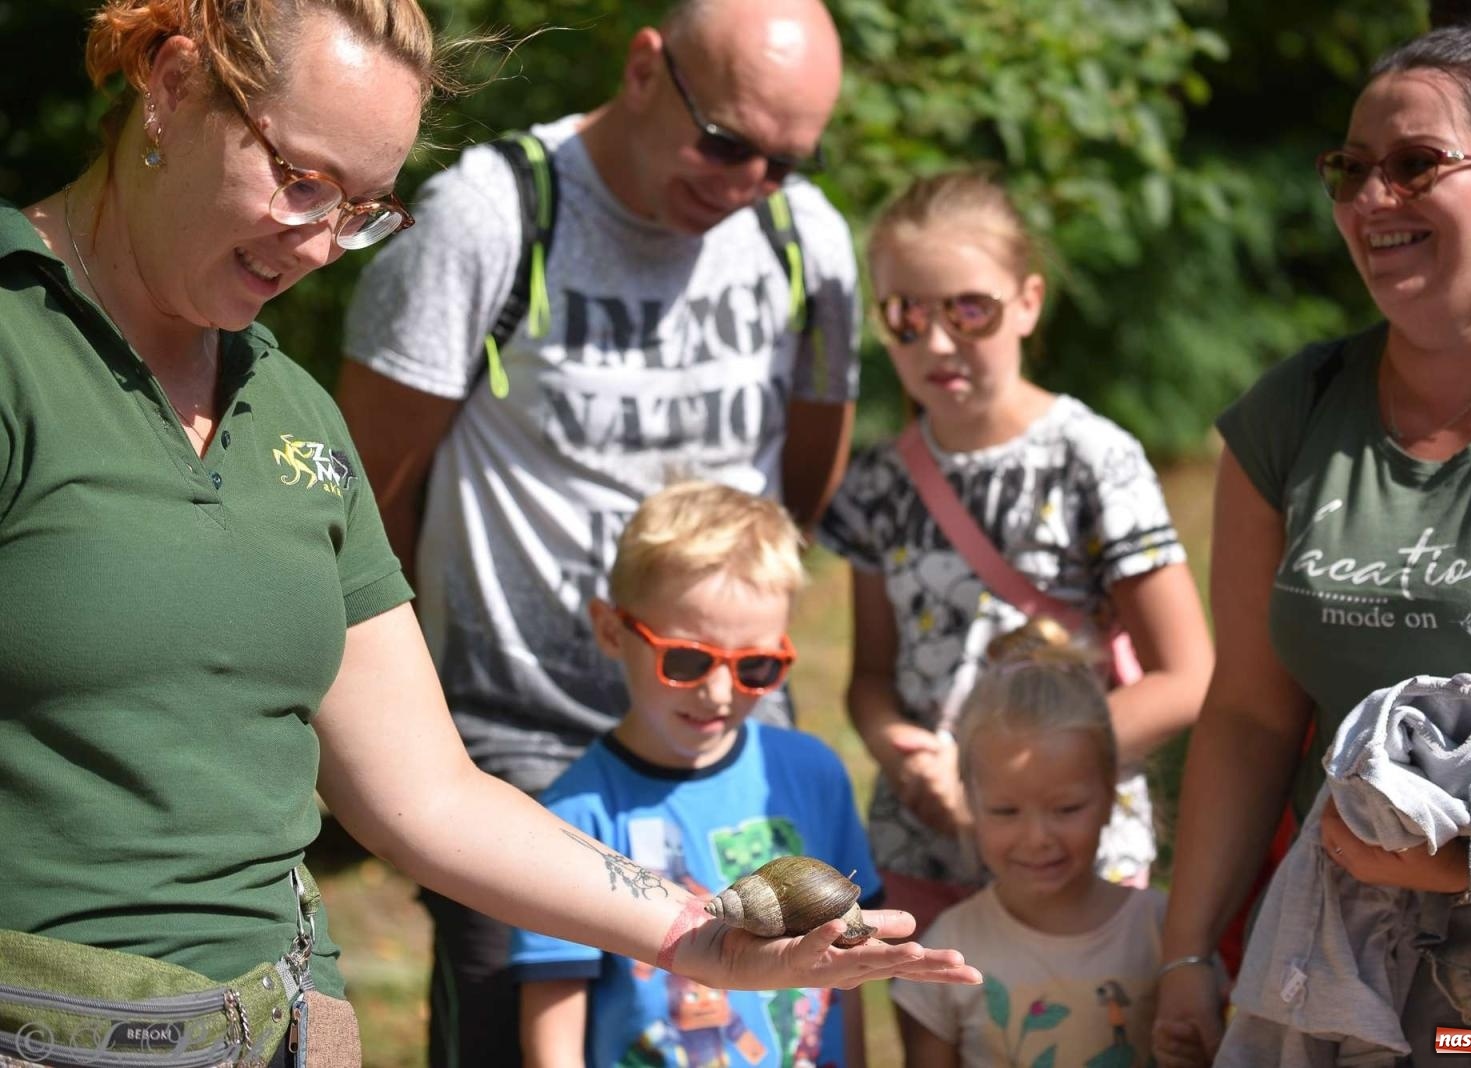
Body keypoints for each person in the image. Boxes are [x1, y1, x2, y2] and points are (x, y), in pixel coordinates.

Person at [0, 2, 976, 1065]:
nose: (323, 242)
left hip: (281, 1029)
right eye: (301, 180)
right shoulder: (18, 345)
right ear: (175, 84)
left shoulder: (290, 410)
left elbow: (428, 796)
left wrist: (699, 936)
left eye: (363, 209)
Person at [335, 0, 859, 1056]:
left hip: (727, 727)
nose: (749, 182)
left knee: (745, 1033)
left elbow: (805, 480)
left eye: (784, 161)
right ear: (643, 69)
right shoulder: (493, 215)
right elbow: (360, 488)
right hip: (519, 739)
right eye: (726, 142)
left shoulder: (807, 240)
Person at [1153, 11, 1471, 1065]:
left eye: (1414, 166)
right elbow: (1250, 716)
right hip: (1324, 972)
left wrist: (1465, 860)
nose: (1368, 201)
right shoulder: (1292, 412)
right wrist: (1184, 953)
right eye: (1350, 169)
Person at [818, 171, 1213, 932]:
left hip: (1074, 850)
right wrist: (902, 754)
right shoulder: (877, 481)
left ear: (1027, 302)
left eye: (970, 309)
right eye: (906, 314)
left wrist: (1019, 779)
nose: (937, 341)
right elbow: (870, 678)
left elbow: (1185, 676)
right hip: (924, 848)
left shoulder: (1094, 458)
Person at [510, 481, 877, 1068]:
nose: (718, 692)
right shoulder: (573, 816)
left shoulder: (813, 775)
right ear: (611, 631)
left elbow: (846, 984)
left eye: (755, 666)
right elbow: (555, 1011)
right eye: (686, 659)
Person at [890, 619, 1195, 1068]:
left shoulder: (1165, 934)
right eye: (1006, 812)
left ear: (1111, 795)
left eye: (1067, 809)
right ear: (969, 800)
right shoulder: (946, 951)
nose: (1038, 838)